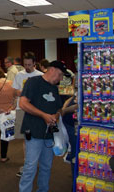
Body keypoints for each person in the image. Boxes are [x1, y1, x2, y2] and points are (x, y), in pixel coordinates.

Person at [18, 61, 70, 192]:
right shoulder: (33, 82)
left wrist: (57, 115)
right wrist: (43, 115)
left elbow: (59, 108)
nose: (61, 79)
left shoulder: (54, 88)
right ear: (51, 70)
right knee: (30, 166)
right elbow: (23, 103)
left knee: (46, 166)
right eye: (60, 75)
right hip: (34, 131)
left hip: (49, 134)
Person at [12, 52, 43, 177]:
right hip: (21, 110)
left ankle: (36, 163)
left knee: (36, 137)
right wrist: (21, 92)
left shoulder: (41, 76)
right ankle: (27, 164)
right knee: (25, 139)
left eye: (30, 64)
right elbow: (14, 91)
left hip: (35, 111)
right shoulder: (19, 75)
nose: (27, 67)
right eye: (25, 64)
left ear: (35, 64)